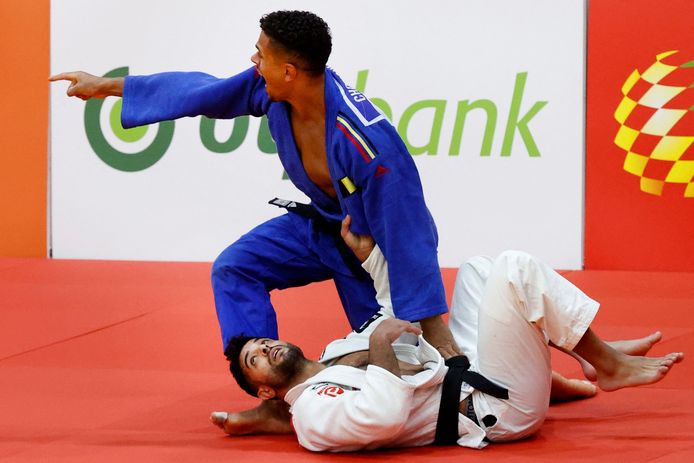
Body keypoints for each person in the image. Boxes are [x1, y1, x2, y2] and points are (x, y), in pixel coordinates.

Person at [49, 10, 459, 359]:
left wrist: (435, 328)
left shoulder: (368, 142)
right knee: (235, 268)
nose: (253, 61)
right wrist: (106, 86)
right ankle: (272, 389)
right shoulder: (274, 91)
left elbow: (408, 231)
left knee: (394, 367)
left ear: (289, 70)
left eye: (260, 55)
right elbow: (203, 92)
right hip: (323, 227)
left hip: (372, 251)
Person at [210, 220, 684, 451]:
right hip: (494, 409)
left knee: (480, 269)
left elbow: (393, 310)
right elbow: (383, 420)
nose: (266, 346)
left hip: (470, 369)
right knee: (513, 269)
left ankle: (584, 352)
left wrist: (370, 257)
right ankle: (607, 365)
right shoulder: (312, 415)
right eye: (257, 359)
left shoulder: (336, 352)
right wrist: (380, 352)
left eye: (262, 342)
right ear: (268, 390)